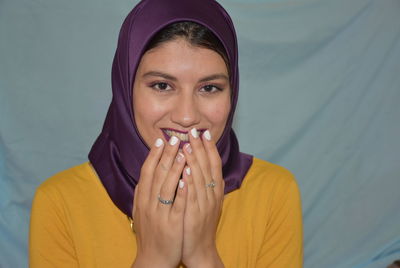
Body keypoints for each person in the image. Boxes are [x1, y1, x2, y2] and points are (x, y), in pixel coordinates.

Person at [29, 0, 303, 267]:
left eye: (209, 88)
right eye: (162, 85)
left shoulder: (273, 194)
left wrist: (203, 255)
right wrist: (154, 260)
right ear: (125, 90)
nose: (186, 116)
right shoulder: (61, 203)